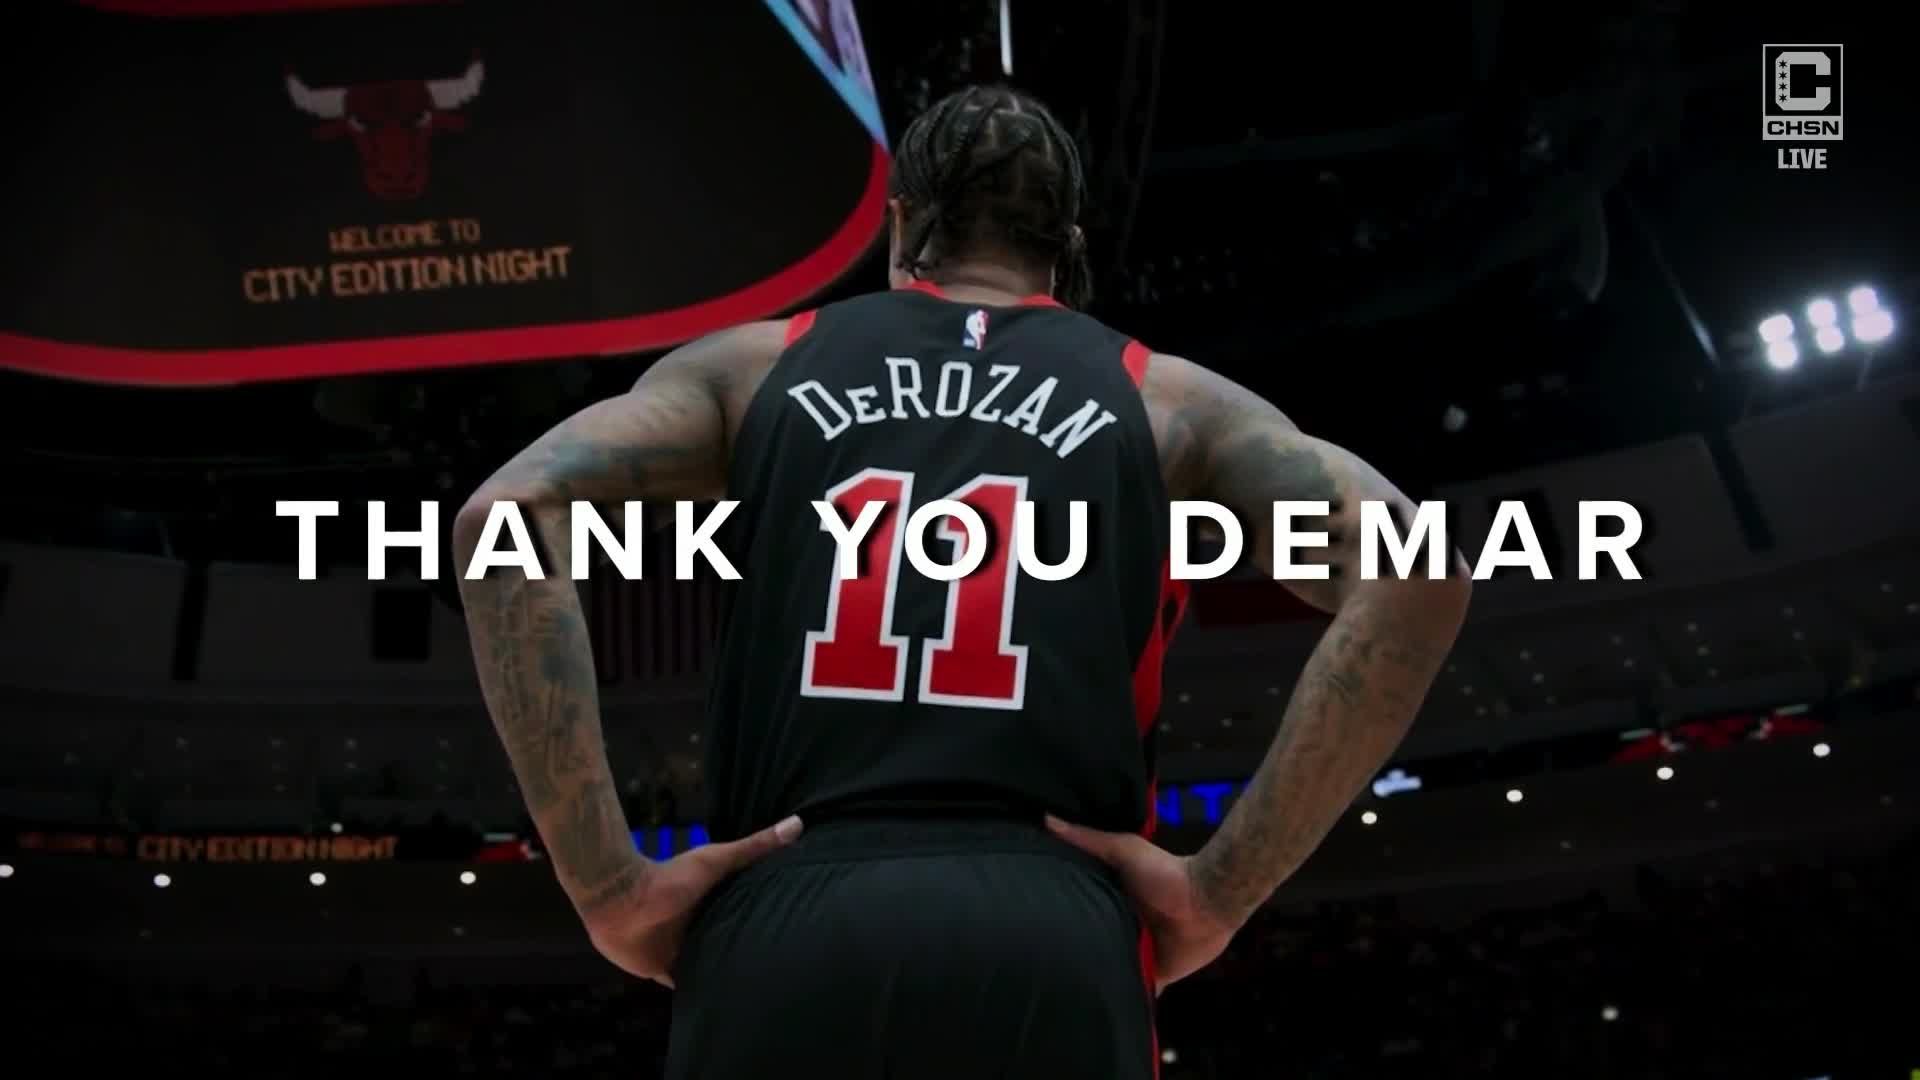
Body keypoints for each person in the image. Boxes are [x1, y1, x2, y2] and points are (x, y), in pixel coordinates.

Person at [453, 84, 1471, 1079]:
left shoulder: (754, 370)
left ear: (902, 223)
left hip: (788, 912)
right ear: (1067, 244)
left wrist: (605, 884)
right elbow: (1420, 571)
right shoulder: (1167, 403)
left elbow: (506, 514)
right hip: (1054, 919)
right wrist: (1220, 892)